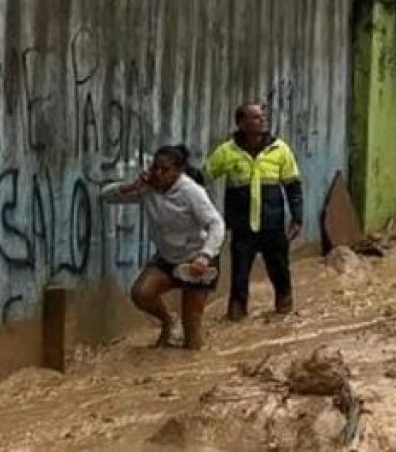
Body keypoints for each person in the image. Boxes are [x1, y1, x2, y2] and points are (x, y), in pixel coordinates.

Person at [102, 145, 225, 349]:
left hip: (197, 260)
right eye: (155, 168)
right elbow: (106, 196)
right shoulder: (147, 188)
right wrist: (132, 186)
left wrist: (205, 256)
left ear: (178, 171)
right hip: (167, 258)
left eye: (165, 169)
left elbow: (216, 224)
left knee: (192, 332)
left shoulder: (191, 191)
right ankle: (168, 320)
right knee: (141, 293)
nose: (158, 173)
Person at [206, 102, 304, 320]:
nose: (262, 121)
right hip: (242, 227)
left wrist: (297, 218)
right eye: (256, 117)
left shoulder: (280, 150)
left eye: (263, 117)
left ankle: (284, 304)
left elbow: (293, 185)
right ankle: (237, 312)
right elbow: (205, 175)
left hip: (273, 224)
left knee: (279, 269)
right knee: (239, 274)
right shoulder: (227, 152)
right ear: (241, 123)